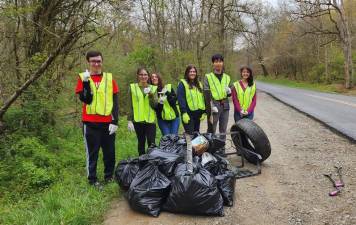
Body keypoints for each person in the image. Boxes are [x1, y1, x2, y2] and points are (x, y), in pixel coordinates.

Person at [75, 50, 119, 186]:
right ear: (88, 62)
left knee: (110, 152)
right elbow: (86, 100)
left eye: (99, 61)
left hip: (107, 123)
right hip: (90, 123)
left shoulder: (109, 78)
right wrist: (87, 83)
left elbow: (115, 100)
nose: (96, 63)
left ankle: (109, 177)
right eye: (93, 61)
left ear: (102, 62)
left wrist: (115, 121)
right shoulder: (83, 78)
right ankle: (92, 180)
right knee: (92, 153)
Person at [127, 68, 157, 155]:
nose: (143, 76)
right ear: (138, 76)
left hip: (150, 120)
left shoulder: (153, 88)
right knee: (141, 143)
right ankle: (142, 163)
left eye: (145, 75)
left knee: (152, 144)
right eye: (141, 74)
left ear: (148, 76)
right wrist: (129, 120)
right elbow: (129, 105)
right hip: (138, 120)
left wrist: (151, 95)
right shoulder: (132, 87)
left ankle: (151, 164)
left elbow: (154, 105)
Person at [204, 54, 231, 141]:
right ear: (213, 63)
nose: (218, 63)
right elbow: (206, 95)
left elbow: (228, 94)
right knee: (212, 129)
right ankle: (212, 150)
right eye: (216, 61)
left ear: (222, 63)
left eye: (220, 61)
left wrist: (229, 92)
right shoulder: (208, 77)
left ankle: (221, 150)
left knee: (223, 129)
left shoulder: (227, 77)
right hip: (213, 105)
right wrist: (211, 106)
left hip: (225, 104)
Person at [177, 65, 206, 134]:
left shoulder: (199, 84)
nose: (192, 73)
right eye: (190, 71)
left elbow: (203, 98)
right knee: (190, 135)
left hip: (197, 114)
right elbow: (181, 99)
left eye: (194, 71)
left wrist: (204, 112)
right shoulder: (182, 83)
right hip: (188, 115)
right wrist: (184, 112)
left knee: (196, 134)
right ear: (187, 73)